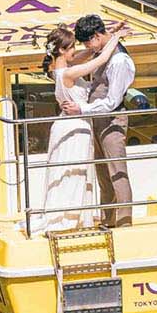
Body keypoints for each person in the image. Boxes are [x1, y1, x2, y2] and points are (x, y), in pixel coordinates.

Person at [30, 24, 122, 232]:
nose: (75, 50)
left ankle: (70, 214)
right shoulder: (69, 73)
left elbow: (86, 55)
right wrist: (114, 37)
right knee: (74, 171)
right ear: (62, 50)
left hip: (65, 125)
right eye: (72, 46)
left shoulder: (58, 70)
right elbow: (100, 59)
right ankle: (71, 218)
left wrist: (104, 34)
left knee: (66, 171)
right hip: (75, 128)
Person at [61, 14, 136, 228]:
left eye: (87, 42)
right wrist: (113, 32)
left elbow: (112, 101)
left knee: (117, 171)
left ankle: (123, 223)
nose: (87, 47)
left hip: (112, 119)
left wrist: (82, 108)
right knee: (103, 171)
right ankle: (108, 219)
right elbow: (93, 53)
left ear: (95, 36)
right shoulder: (103, 48)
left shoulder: (119, 60)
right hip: (97, 118)